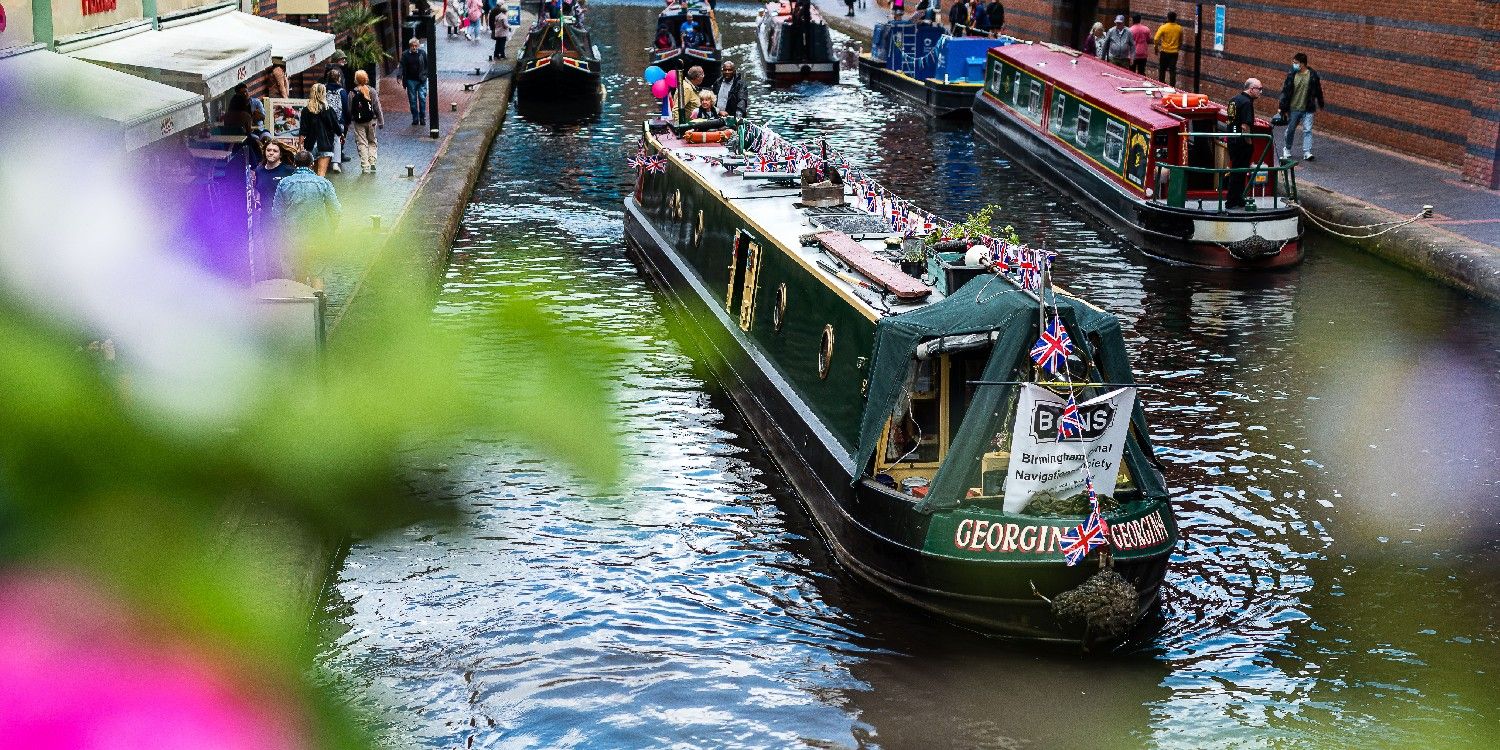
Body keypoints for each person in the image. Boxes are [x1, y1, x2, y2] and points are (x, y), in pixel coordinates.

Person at [270, 150, 342, 281]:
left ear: (294, 163)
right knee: (317, 274)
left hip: (293, 237)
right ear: (312, 164)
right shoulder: (323, 183)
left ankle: (302, 299)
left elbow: (276, 213)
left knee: (299, 274)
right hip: (318, 235)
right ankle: (318, 300)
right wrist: (331, 229)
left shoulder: (284, 183)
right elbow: (336, 210)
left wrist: (284, 232)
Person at [1278, 52, 1325, 162]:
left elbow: (1318, 90)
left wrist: (1320, 102)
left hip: (1307, 108)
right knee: (1290, 129)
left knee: (1307, 130)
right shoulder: (1291, 75)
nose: (1293, 64)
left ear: (1302, 64)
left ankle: (1307, 152)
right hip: (1293, 108)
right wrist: (1282, 107)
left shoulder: (1312, 75)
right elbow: (1285, 91)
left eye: (1296, 63)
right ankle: (1287, 149)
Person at [1225, 78, 1262, 209]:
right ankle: (1233, 201)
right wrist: (1250, 143)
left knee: (1235, 171)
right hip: (1241, 144)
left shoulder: (1234, 100)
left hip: (1232, 141)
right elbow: (1245, 126)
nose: (1260, 92)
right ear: (1251, 89)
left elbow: (1229, 120)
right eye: (1259, 89)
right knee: (1239, 173)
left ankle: (1236, 199)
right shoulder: (1247, 103)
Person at [299, 82, 339, 176]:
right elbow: (336, 127)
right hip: (325, 144)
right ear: (323, 93)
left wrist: (300, 144)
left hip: (310, 145)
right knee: (321, 174)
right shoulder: (329, 110)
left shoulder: (306, 110)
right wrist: (341, 134)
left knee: (311, 173)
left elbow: (303, 129)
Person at [348, 69, 383, 174]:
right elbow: (377, 107)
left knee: (362, 143)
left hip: (358, 122)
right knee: (372, 141)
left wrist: (349, 121)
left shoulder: (352, 93)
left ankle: (365, 166)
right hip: (371, 120)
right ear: (366, 79)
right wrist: (381, 121)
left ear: (356, 80)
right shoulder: (371, 91)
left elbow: (349, 109)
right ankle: (372, 162)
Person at [322, 68, 349, 173]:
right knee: (337, 140)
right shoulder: (342, 92)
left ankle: (324, 159)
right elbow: (346, 107)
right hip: (338, 120)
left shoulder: (324, 89)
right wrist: (346, 120)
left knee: (325, 139)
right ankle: (335, 163)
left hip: (324, 120)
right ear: (338, 79)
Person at [401, 38, 428, 126]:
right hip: (410, 80)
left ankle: (422, 117)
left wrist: (426, 75)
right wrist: (399, 76)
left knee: (422, 98)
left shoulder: (422, 53)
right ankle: (415, 118)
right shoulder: (405, 55)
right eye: (412, 46)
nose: (414, 48)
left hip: (421, 80)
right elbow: (402, 66)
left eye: (416, 46)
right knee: (412, 100)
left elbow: (427, 65)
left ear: (418, 46)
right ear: (410, 46)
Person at [1153, 11, 1183, 86]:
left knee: (1162, 70)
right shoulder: (1179, 28)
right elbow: (1181, 40)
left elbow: (1156, 39)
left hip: (1164, 52)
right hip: (1174, 53)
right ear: (1175, 18)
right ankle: (1172, 87)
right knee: (1172, 70)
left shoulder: (1163, 27)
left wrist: (1156, 48)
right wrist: (1178, 48)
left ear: (1168, 18)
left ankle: (1161, 84)